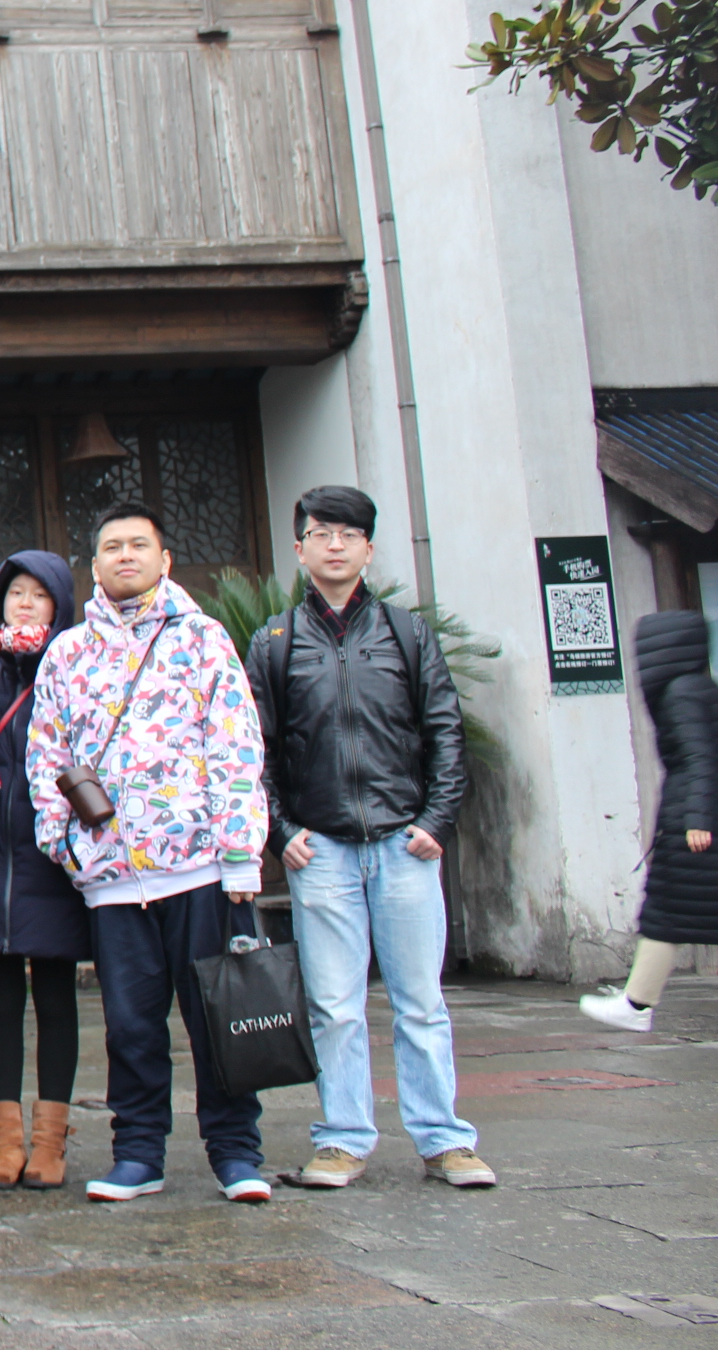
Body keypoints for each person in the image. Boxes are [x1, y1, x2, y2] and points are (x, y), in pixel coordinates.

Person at [27, 500, 271, 1206]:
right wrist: (67, 848)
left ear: (164, 560)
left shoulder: (203, 638)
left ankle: (236, 1153)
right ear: (94, 565)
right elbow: (46, 757)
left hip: (200, 870)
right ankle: (137, 1154)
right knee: (131, 1028)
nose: (125, 556)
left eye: (139, 545)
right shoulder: (68, 654)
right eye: (112, 547)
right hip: (112, 878)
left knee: (217, 1018)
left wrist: (240, 853)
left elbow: (235, 744)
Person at [249, 486, 492, 1191]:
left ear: (368, 549)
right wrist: (281, 832)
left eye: (348, 535)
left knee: (421, 1002)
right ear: (300, 549)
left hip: (403, 845)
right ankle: (343, 1139)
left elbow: (444, 731)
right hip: (320, 849)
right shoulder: (275, 642)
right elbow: (255, 750)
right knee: (334, 1007)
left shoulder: (407, 634)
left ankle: (445, 1140)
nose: (335, 545)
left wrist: (435, 821)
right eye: (321, 534)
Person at [0, 550, 90, 1192]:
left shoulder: (77, 667)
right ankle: (6, 1144)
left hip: (51, 856)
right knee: (1, 1000)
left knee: (57, 998)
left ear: (59, 604)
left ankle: (50, 1144)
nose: (26, 603)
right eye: (15, 593)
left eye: (39, 593)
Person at [580, 611, 718, 1032]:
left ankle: (637, 1005)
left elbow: (700, 758)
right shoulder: (698, 688)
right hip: (701, 818)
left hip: (696, 825)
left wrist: (696, 819)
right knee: (673, 914)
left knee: (664, 914)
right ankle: (636, 1003)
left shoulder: (682, 694)